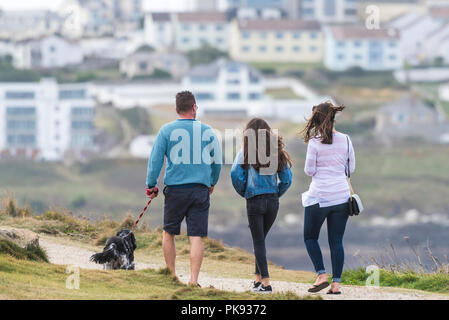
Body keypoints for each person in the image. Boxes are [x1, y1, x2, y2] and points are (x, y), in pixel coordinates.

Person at [145, 91, 222, 286]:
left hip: (175, 190)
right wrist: (212, 182)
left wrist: (151, 184)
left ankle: (172, 276)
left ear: (177, 109)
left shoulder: (166, 130)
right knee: (196, 236)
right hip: (200, 190)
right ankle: (193, 281)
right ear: (194, 107)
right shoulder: (208, 131)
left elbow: (155, 160)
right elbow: (217, 162)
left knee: (169, 233)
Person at [231, 118, 293, 293]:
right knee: (261, 241)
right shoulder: (277, 151)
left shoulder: (245, 151)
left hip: (254, 201)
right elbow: (287, 180)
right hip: (273, 202)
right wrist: (276, 193)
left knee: (258, 242)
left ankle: (266, 283)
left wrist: (246, 192)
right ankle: (257, 280)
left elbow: (236, 175)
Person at [300, 102, 355, 295]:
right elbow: (351, 168)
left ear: (316, 120)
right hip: (341, 197)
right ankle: (336, 285)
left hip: (319, 197)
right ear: (333, 118)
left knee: (310, 237)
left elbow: (309, 170)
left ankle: (321, 275)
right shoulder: (346, 139)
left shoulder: (315, 143)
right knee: (336, 241)